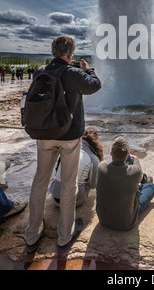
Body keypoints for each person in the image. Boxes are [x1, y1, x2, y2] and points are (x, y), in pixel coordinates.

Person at [24, 35, 101, 253]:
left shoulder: (41, 71)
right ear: (70, 55)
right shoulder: (75, 73)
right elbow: (95, 85)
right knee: (69, 183)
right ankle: (64, 234)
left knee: (40, 181)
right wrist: (89, 69)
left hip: (44, 134)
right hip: (69, 136)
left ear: (53, 53)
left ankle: (32, 234)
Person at [96, 136, 154, 231]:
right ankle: (146, 183)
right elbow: (138, 169)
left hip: (104, 220)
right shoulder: (135, 171)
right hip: (126, 223)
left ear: (111, 153)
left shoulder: (101, 167)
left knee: (134, 177)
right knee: (151, 187)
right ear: (127, 153)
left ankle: (142, 181)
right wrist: (135, 158)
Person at [50, 127, 104, 207]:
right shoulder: (93, 158)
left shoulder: (68, 149)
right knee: (89, 178)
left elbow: (57, 169)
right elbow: (93, 185)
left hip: (55, 198)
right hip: (74, 202)